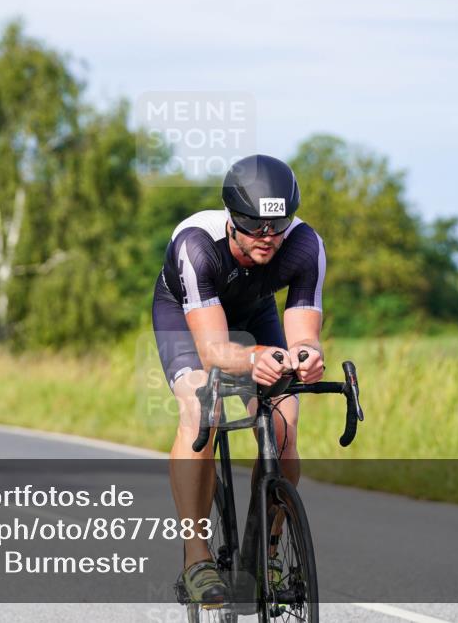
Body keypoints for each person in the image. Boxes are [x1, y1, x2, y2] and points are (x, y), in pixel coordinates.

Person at [151, 154, 327, 605]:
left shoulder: (305, 245)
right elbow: (214, 351)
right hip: (186, 317)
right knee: (199, 409)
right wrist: (253, 359)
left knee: (284, 425)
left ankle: (267, 553)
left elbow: (304, 334)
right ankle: (196, 559)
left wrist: (307, 356)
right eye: (254, 226)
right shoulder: (196, 245)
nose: (267, 237)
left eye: (277, 225)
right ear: (232, 218)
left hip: (254, 311)